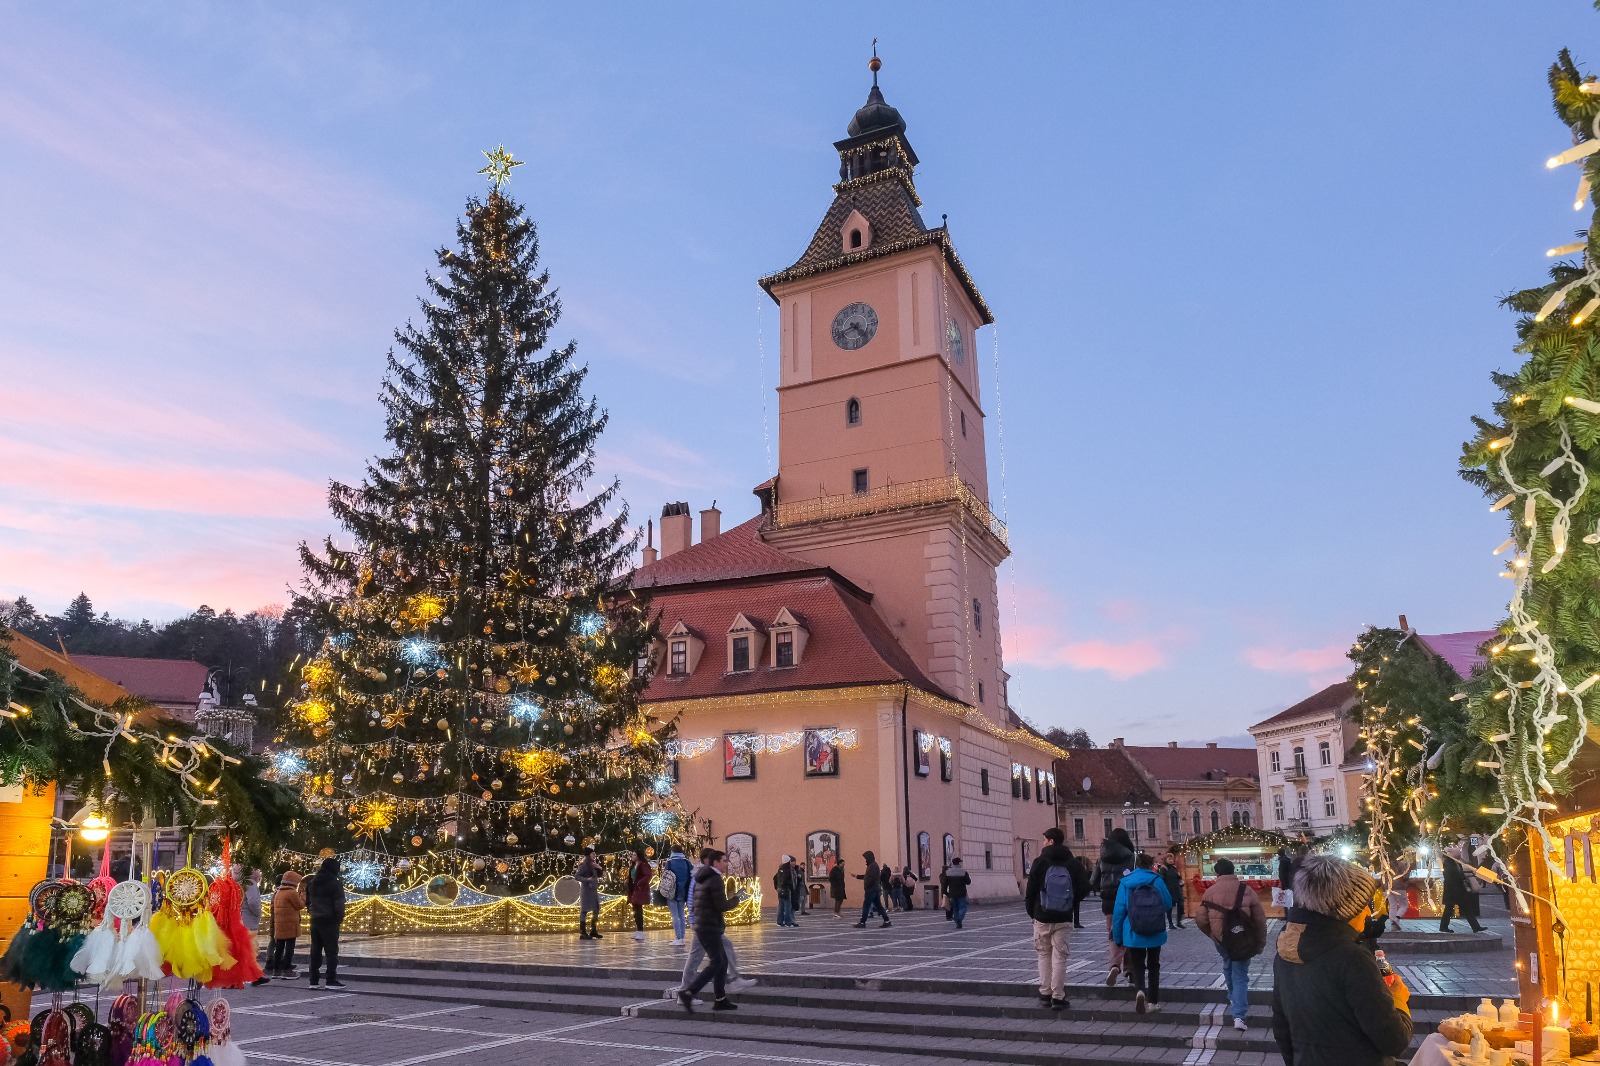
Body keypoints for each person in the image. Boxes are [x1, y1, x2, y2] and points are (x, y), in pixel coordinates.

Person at [1272, 855, 1413, 1066]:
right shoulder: (1352, 958)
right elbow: (1394, 1040)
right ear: (1346, 909)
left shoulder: (1286, 951)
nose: (1368, 912)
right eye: (1364, 905)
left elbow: (1281, 1027)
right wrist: (1398, 999)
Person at [1196, 858, 1267, 1032]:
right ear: (1233, 870)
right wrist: (1260, 942)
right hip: (1242, 938)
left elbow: (1201, 920)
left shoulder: (1210, 892)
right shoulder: (1246, 890)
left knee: (1228, 965)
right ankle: (1239, 1016)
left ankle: (1232, 997)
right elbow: (1259, 919)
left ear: (1216, 872)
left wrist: (1213, 935)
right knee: (1240, 975)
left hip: (1221, 940)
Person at [676, 849, 756, 997]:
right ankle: (685, 991)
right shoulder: (703, 876)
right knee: (698, 959)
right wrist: (693, 919)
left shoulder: (704, 874)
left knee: (725, 950)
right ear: (709, 860)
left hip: (706, 923)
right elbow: (693, 899)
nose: (726, 864)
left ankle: (732, 982)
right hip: (703, 924)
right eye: (723, 861)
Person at [1112, 853, 1172, 1014]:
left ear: (1136, 865)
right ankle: (1153, 1002)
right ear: (1151, 864)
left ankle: (1140, 991)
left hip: (1133, 930)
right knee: (1154, 965)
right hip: (1155, 928)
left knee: (1137, 964)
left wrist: (1117, 936)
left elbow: (1119, 911)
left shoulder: (1126, 882)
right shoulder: (1157, 880)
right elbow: (1168, 903)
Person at [1024, 827, 1076, 1010]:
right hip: (1063, 916)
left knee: (1044, 955)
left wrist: (1032, 912)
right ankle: (1058, 997)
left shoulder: (1039, 861)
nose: (1044, 843)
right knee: (1060, 957)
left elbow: (1030, 890)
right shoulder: (1070, 861)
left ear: (1051, 841)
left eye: (1045, 840)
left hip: (1042, 915)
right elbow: (1085, 885)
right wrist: (1070, 902)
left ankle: (1045, 993)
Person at [1093, 827, 1136, 985]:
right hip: (1127, 900)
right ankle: (1130, 970)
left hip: (1108, 902)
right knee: (1128, 933)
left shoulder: (1102, 858)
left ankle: (1114, 965)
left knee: (1113, 934)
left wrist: (1103, 889)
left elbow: (1093, 881)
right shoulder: (1132, 857)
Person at [306, 856, 346, 989]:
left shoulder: (312, 882)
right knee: (331, 951)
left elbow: (308, 902)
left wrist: (312, 913)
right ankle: (330, 980)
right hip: (329, 919)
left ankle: (313, 981)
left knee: (315, 950)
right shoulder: (335, 883)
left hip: (315, 919)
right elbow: (339, 904)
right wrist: (339, 919)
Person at [1439, 845, 1486, 933]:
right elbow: (1450, 876)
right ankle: (1443, 927)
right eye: (1458, 854)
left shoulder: (1457, 862)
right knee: (1449, 909)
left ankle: (1476, 927)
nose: (1460, 856)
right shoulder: (1448, 863)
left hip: (1459, 890)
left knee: (1466, 909)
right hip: (1452, 891)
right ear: (1453, 855)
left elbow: (1459, 874)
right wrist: (1463, 877)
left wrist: (1465, 877)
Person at [267, 870, 305, 980]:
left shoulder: (278, 892)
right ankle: (287, 970)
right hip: (290, 925)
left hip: (279, 924)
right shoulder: (291, 892)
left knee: (279, 948)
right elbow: (299, 905)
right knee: (289, 948)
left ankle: (276, 970)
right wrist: (303, 896)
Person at [239, 867, 271, 987]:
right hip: (249, 921)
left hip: (242, 919)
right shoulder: (250, 884)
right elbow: (253, 902)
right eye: (259, 872)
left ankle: (255, 975)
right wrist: (258, 913)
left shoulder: (241, 883)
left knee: (245, 950)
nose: (260, 874)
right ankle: (254, 976)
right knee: (250, 950)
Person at [662, 845, 694, 946]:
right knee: (681, 914)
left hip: (672, 892)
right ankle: (682, 937)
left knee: (675, 915)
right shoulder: (687, 863)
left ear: (672, 851)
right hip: (684, 891)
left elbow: (665, 876)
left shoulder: (669, 863)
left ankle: (678, 937)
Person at [853, 850, 890, 928]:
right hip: (874, 889)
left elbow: (871, 878)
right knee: (878, 906)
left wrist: (867, 885)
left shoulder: (873, 866)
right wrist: (857, 876)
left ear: (869, 857)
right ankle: (887, 920)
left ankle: (862, 922)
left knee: (866, 905)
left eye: (866, 858)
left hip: (871, 889)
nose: (865, 860)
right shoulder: (872, 865)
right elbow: (867, 876)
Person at [575, 848, 603, 940]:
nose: (594, 855)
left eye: (595, 853)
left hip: (593, 890)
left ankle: (593, 930)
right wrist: (587, 880)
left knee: (596, 909)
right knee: (584, 910)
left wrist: (599, 868)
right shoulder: (584, 865)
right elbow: (577, 876)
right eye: (592, 853)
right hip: (586, 891)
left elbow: (598, 875)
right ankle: (583, 932)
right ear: (588, 855)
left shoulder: (593, 864)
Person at [627, 846, 653, 941]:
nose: (632, 856)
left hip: (640, 889)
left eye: (634, 855)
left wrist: (640, 883)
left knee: (638, 909)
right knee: (635, 909)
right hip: (634, 889)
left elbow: (648, 875)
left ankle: (641, 931)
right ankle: (638, 930)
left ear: (638, 856)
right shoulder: (633, 865)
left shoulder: (643, 865)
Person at [1159, 853, 1186, 929]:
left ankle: (1178, 922)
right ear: (1165, 860)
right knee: (1169, 907)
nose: (1171, 860)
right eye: (1169, 859)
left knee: (1181, 905)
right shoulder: (1163, 868)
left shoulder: (1174, 867)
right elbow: (1161, 879)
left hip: (1177, 889)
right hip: (1169, 890)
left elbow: (1178, 876)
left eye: (1172, 859)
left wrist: (1180, 881)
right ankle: (1170, 923)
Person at [945, 857, 971, 929]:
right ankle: (959, 919)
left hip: (952, 893)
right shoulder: (963, 872)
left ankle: (957, 920)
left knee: (955, 908)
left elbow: (945, 883)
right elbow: (968, 882)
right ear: (959, 863)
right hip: (962, 892)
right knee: (963, 907)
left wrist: (945, 892)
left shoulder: (948, 872)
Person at [1069, 853, 1092, 929]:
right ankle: (1076, 922)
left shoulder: (1066, 865)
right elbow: (1083, 880)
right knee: (1075, 907)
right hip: (1076, 890)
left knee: (1069, 907)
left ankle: (1071, 922)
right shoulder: (1077, 866)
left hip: (1069, 889)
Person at [774, 856, 798, 927]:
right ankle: (788, 922)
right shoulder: (786, 870)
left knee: (781, 906)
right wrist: (789, 884)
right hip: (786, 890)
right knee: (787, 906)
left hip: (780, 891)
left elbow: (775, 878)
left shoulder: (780, 869)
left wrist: (777, 887)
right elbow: (785, 880)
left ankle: (779, 922)